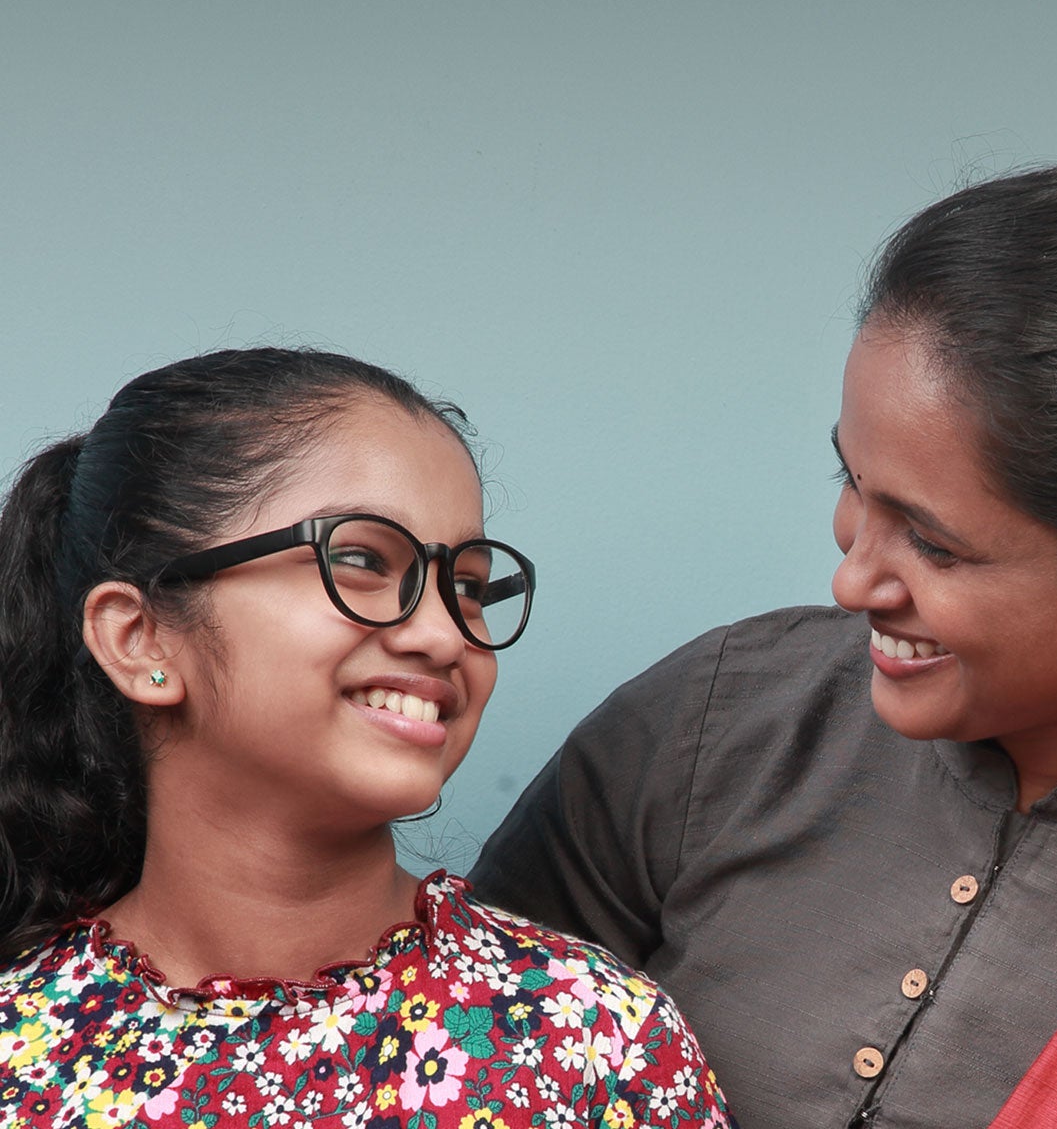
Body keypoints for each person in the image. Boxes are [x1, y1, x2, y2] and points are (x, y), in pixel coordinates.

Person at [472, 162, 1057, 1129]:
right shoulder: (725, 720)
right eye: (852, 482)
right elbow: (444, 1048)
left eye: (933, 544)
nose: (851, 582)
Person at [0, 346, 731, 1129]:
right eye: (359, 558)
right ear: (140, 639)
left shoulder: (589, 1039)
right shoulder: (18, 1051)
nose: (444, 634)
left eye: (469, 587)